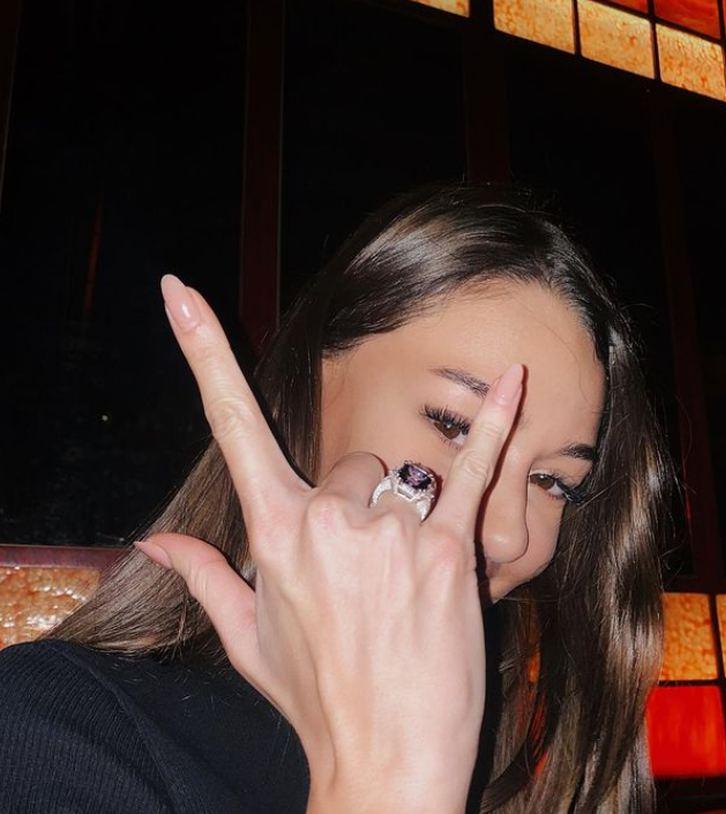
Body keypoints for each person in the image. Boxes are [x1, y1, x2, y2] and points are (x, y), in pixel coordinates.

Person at [0, 182, 674, 813]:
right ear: (309, 391)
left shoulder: (522, 760)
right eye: (454, 425)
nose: (509, 536)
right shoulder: (53, 730)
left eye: (552, 481)